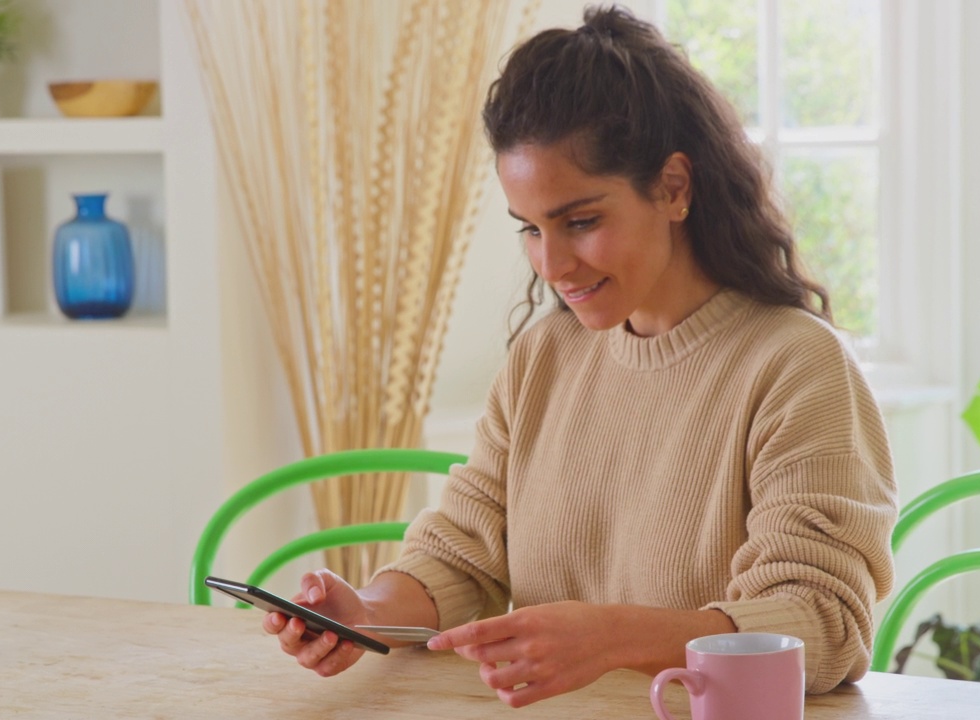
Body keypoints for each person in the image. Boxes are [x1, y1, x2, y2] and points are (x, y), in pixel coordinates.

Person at [263, 4, 897, 708]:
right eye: (530, 229)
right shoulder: (544, 356)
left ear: (675, 187)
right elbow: (461, 551)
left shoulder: (794, 365)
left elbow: (823, 624)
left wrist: (612, 638)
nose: (553, 264)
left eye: (581, 221)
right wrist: (368, 612)